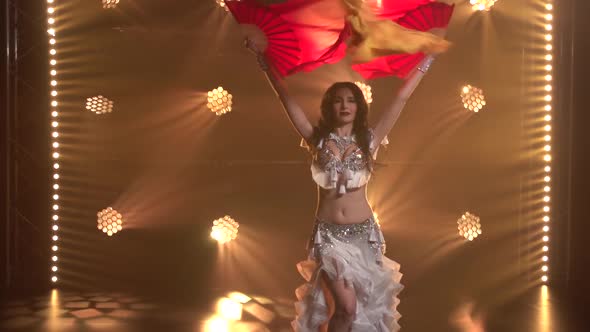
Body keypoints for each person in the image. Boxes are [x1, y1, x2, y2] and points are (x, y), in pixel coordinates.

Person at [245, 37, 437, 331]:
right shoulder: (316, 140)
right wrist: (264, 61)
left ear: (358, 107)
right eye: (338, 100)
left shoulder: (369, 141)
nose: (344, 105)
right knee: (346, 309)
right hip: (329, 239)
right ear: (329, 107)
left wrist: (426, 60)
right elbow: (286, 98)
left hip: (364, 237)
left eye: (350, 100)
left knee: (356, 313)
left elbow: (401, 98)